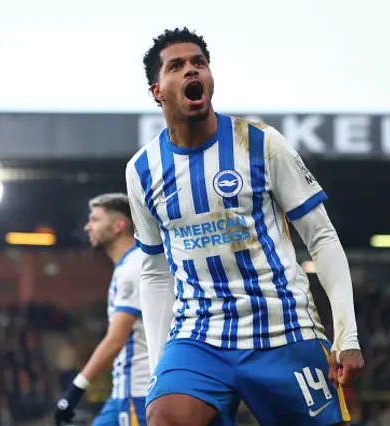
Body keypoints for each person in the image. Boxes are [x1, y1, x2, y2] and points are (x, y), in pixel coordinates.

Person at [125, 27, 365, 426]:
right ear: (157, 90)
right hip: (199, 337)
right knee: (165, 417)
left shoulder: (261, 144)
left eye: (199, 63)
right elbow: (154, 271)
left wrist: (348, 336)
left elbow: (321, 237)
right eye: (177, 66)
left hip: (283, 330)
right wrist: (158, 365)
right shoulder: (142, 170)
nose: (191, 71)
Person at [54, 193, 149, 426]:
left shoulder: (133, 269)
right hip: (123, 392)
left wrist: (75, 390)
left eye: (95, 220)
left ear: (119, 225)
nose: (88, 227)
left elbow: (116, 340)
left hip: (137, 391)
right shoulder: (131, 264)